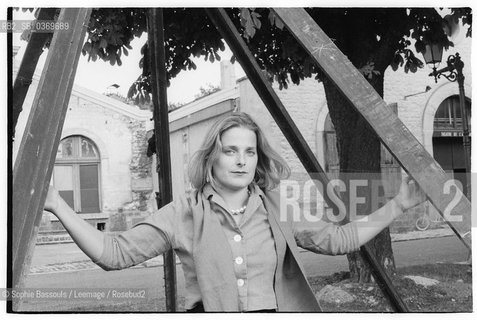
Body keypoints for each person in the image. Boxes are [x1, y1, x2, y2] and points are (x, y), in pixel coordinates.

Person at [44, 112, 425, 312]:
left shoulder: (278, 206)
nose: (241, 161)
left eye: (250, 151)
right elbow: (114, 254)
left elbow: (340, 240)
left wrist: (399, 204)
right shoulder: (184, 212)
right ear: (212, 156)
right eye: (231, 151)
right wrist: (58, 205)